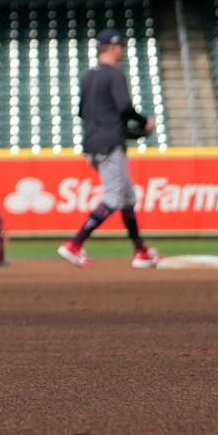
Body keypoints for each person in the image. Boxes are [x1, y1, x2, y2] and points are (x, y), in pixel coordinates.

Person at [59, 27, 160, 270]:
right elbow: (124, 107)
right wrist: (144, 121)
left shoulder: (88, 77)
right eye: (121, 46)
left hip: (93, 144)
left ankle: (140, 252)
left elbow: (85, 112)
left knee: (127, 199)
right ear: (113, 48)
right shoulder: (114, 75)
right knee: (114, 199)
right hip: (109, 146)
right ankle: (74, 245)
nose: (122, 50)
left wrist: (129, 132)